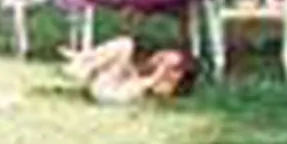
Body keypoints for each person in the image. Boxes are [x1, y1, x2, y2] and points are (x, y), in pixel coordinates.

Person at [59, 37, 198, 104]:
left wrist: (160, 71)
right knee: (124, 46)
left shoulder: (163, 83)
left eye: (163, 58)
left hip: (110, 94)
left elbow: (145, 88)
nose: (159, 56)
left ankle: (82, 63)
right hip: (110, 91)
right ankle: (83, 60)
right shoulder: (150, 71)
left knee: (125, 45)